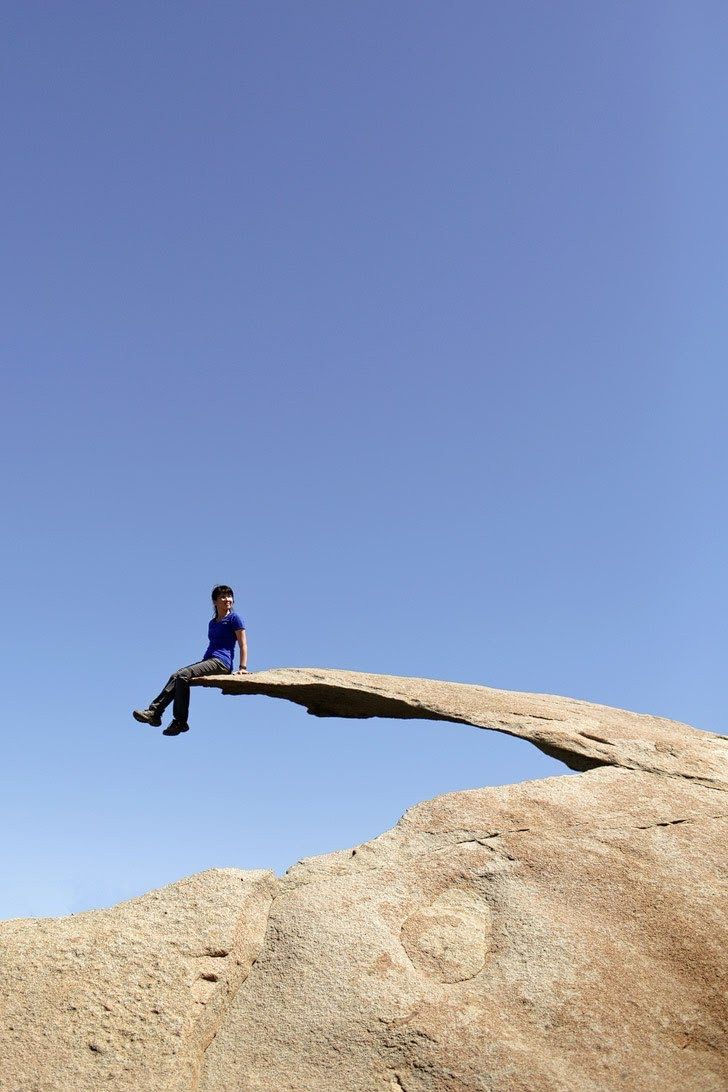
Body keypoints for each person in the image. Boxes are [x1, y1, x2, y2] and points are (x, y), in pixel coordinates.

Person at [133, 585, 247, 737]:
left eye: (229, 596)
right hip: (209, 660)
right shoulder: (212, 623)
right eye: (223, 597)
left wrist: (242, 667)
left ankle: (179, 721)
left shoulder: (234, 618)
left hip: (222, 662)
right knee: (177, 675)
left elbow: (243, 644)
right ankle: (154, 713)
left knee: (184, 675)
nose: (228, 600)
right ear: (215, 601)